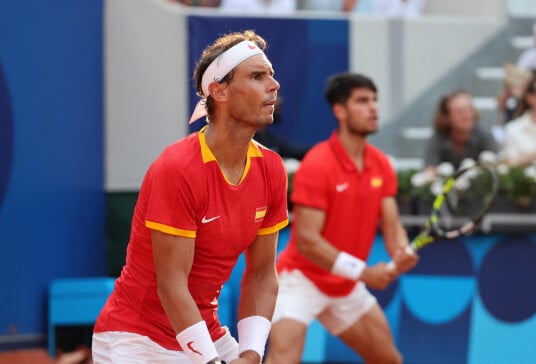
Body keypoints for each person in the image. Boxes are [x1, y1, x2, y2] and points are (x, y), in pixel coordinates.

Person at [92, 30, 289, 364]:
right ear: (219, 91)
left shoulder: (271, 168)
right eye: (257, 76)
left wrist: (251, 353)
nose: (274, 85)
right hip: (135, 340)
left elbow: (261, 274)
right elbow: (171, 285)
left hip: (204, 332)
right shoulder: (178, 168)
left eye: (270, 74)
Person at [265, 72, 418, 364]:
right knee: (282, 359)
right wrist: (363, 272)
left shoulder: (381, 164)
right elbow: (308, 241)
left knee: (389, 360)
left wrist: (400, 250)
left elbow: (392, 224)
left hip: (345, 286)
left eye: (374, 100)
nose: (373, 108)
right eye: (362, 101)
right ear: (340, 111)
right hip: (301, 278)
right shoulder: (318, 164)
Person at [423, 90, 497, 171]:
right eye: (459, 112)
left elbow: (494, 169)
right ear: (447, 117)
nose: (466, 115)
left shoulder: (484, 136)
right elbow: (429, 170)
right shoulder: (437, 139)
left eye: (469, 109)